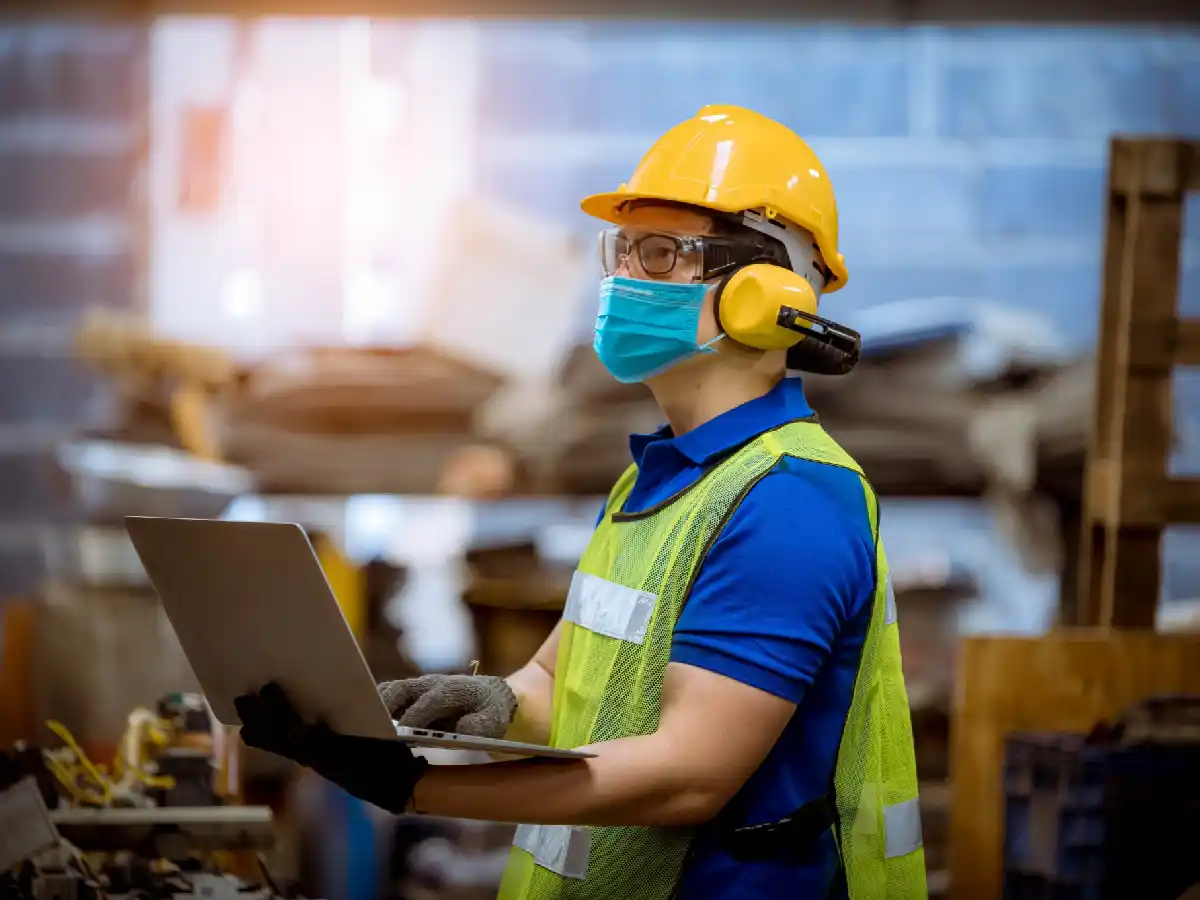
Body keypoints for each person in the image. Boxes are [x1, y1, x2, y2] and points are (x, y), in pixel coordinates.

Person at [235, 105, 927, 900]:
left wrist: (415, 787)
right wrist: (484, 702)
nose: (622, 280)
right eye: (621, 251)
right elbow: (560, 683)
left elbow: (686, 777)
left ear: (764, 296)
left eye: (661, 254)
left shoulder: (790, 501)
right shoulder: (656, 479)